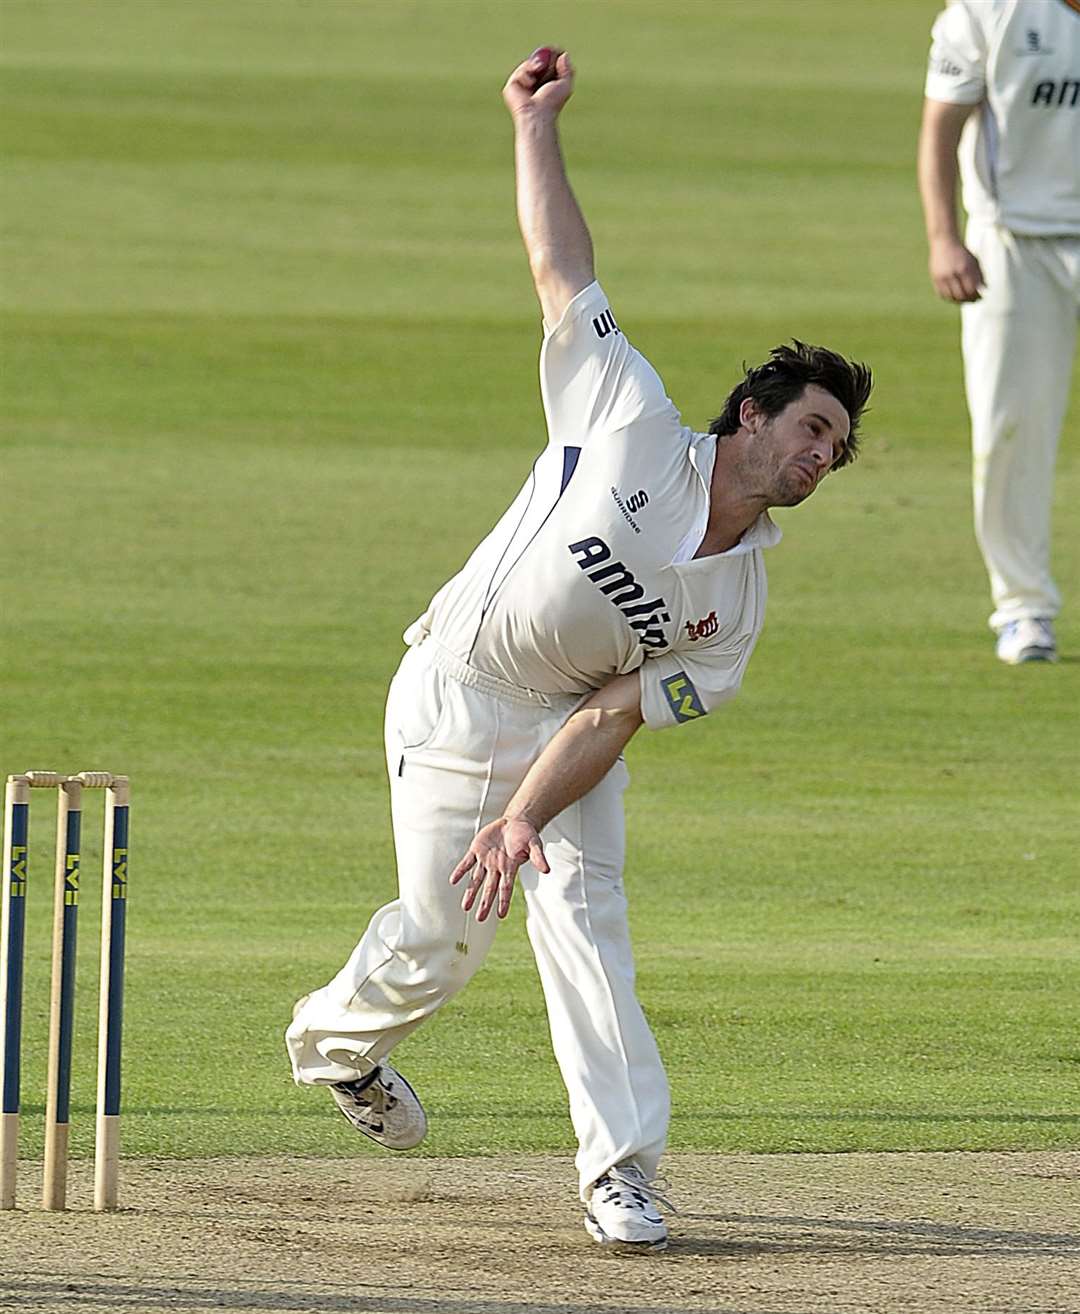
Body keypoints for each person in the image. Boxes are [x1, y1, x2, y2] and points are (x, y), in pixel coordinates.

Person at [286, 47, 872, 1252]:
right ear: (752, 414)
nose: (823, 456)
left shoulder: (738, 607)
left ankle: (622, 1173)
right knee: (442, 942)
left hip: (565, 736)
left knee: (586, 925)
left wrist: (526, 819)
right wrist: (534, 124)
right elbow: (561, 269)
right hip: (456, 690)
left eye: (841, 450)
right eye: (814, 426)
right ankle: (338, 1045)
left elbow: (611, 715)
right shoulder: (628, 414)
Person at [917, 0, 1080, 665]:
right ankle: (1023, 609)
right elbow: (939, 127)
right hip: (1014, 240)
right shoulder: (988, 11)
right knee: (1011, 426)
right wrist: (944, 240)